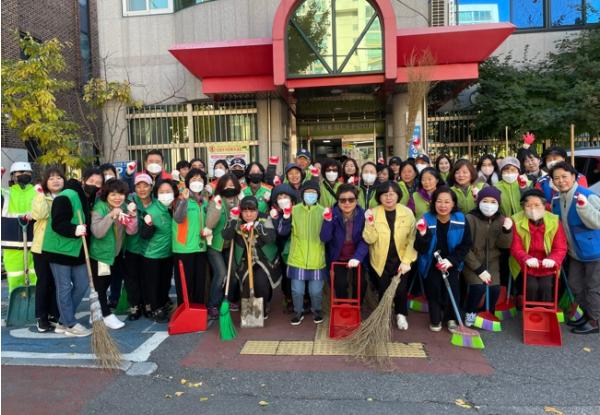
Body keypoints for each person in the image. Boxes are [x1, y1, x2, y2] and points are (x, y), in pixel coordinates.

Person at [42, 167, 104, 337]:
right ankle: (70, 323)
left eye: (98, 183)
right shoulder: (66, 196)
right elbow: (57, 223)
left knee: (82, 284)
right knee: (64, 287)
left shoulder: (88, 198)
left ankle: (63, 321)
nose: (95, 185)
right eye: (92, 181)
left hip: (78, 251)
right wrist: (74, 229)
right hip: (59, 250)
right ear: (83, 180)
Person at [550, 162, 600, 334]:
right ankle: (586, 314)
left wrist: (584, 208)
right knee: (575, 285)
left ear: (573, 177)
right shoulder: (557, 198)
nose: (561, 181)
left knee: (593, 287)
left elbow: (598, 221)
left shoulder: (588, 195)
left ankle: (595, 321)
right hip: (574, 252)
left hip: (594, 251)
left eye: (564, 176)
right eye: (556, 178)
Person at [415, 186, 472, 332]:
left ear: (453, 204)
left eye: (447, 202)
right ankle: (435, 318)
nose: (443, 205)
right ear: (433, 203)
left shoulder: (461, 219)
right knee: (433, 288)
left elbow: (466, 245)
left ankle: (451, 318)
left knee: (452, 289)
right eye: (439, 201)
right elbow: (420, 248)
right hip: (430, 261)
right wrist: (422, 234)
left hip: (451, 261)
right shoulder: (426, 219)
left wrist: (451, 261)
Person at [363, 181, 416, 330]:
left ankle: (401, 314)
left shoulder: (407, 212)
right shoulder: (374, 212)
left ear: (398, 195)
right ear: (379, 197)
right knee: (383, 288)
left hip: (402, 258)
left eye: (392, 194)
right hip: (380, 259)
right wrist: (369, 223)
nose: (388, 198)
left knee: (401, 289)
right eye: (385, 194)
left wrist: (407, 261)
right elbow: (369, 239)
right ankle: (384, 315)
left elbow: (413, 238)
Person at [90, 179, 138, 330]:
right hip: (100, 254)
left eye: (121, 194)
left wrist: (132, 216)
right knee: (100, 286)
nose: (117, 198)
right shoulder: (99, 208)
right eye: (113, 194)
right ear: (106, 195)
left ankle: (96, 313)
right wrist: (111, 215)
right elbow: (98, 232)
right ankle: (106, 315)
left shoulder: (123, 207)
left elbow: (131, 231)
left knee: (106, 284)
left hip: (115, 253)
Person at [223, 196, 281, 319]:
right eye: (245, 211)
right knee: (247, 285)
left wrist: (259, 227)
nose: (248, 215)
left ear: (257, 210)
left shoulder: (264, 218)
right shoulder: (237, 220)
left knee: (260, 282)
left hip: (264, 259)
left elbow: (271, 238)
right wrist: (232, 220)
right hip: (244, 260)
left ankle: (263, 308)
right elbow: (226, 236)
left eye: (252, 211)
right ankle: (251, 314)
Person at [463, 187, 513, 327]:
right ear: (479, 202)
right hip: (472, 261)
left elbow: (504, 245)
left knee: (494, 288)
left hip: (492, 261)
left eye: (493, 202)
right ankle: (471, 312)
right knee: (478, 287)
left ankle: (487, 313)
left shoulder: (501, 219)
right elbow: (465, 247)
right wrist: (479, 269)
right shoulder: (470, 218)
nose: (489, 205)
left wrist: (507, 231)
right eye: (485, 201)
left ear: (498, 204)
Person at [278, 181, 326, 326]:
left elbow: (328, 235)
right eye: (307, 192)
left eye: (313, 192)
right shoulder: (294, 210)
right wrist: (286, 218)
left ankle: (317, 310)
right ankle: (298, 312)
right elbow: (282, 232)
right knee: (297, 291)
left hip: (317, 258)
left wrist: (329, 220)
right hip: (297, 258)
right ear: (302, 194)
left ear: (318, 195)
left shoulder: (323, 211)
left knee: (315, 291)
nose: (310, 195)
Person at [510, 189, 567, 307]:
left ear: (544, 205)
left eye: (537, 205)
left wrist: (553, 259)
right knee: (531, 286)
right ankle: (531, 311)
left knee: (546, 286)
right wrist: (526, 258)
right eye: (528, 206)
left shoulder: (554, 220)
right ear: (523, 207)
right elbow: (516, 248)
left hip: (547, 264)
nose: (533, 209)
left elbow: (560, 247)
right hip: (525, 264)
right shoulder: (516, 220)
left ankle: (546, 310)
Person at [320, 184, 368, 301]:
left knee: (361, 283)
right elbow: (325, 238)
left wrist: (357, 257)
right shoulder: (332, 214)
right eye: (342, 200)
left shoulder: (362, 215)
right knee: (340, 284)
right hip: (338, 256)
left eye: (351, 200)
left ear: (356, 200)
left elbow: (365, 240)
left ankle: (357, 305)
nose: (347, 203)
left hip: (356, 256)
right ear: (338, 201)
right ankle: (343, 304)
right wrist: (328, 221)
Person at [31, 166, 65, 332]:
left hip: (60, 247)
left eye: (59, 177)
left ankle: (54, 313)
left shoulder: (67, 196)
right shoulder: (41, 196)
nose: (56, 181)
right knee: (44, 282)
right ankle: (41, 316)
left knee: (58, 282)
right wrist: (40, 196)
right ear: (45, 182)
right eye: (51, 178)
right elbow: (40, 215)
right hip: (42, 247)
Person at [205, 173, 243, 319]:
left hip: (231, 244)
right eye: (226, 186)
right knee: (221, 274)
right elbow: (209, 224)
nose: (229, 188)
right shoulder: (216, 201)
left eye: (232, 185)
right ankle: (213, 304)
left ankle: (229, 299)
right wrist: (217, 207)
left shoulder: (239, 201)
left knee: (233, 273)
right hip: (215, 245)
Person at [172, 168, 209, 307]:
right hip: (184, 248)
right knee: (185, 284)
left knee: (199, 283)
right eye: (194, 179)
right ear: (188, 182)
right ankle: (185, 311)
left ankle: (198, 310)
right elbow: (178, 218)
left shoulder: (205, 201)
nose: (197, 182)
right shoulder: (180, 199)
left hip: (200, 247)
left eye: (200, 179)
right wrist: (184, 201)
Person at [140, 179, 176, 322]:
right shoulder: (151, 211)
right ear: (156, 194)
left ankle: (162, 304)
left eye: (168, 191)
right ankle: (155, 308)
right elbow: (144, 235)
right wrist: (148, 224)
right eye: (162, 192)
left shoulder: (174, 208)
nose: (165, 194)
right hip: (152, 254)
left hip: (168, 253)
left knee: (165, 281)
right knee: (153, 284)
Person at [2, 161, 37, 294]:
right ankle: (17, 304)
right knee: (15, 279)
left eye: (27, 172)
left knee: (36, 278)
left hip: (35, 245)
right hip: (12, 246)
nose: (24, 174)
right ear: (13, 176)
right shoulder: (6, 193)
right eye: (20, 172)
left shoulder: (37, 191)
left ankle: (36, 305)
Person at [124, 173, 154, 320]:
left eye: (145, 185)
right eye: (138, 186)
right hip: (132, 246)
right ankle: (134, 305)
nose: (142, 189)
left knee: (148, 278)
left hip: (150, 248)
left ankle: (148, 304)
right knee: (132, 278)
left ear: (151, 187)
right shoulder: (129, 202)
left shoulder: (156, 202)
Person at [269, 183, 297, 313]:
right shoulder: (275, 214)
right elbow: (279, 233)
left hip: (297, 248)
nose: (283, 200)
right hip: (282, 250)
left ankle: (302, 299)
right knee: (286, 275)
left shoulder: (297, 211)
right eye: (279, 198)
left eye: (285, 197)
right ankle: (288, 297)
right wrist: (275, 219)